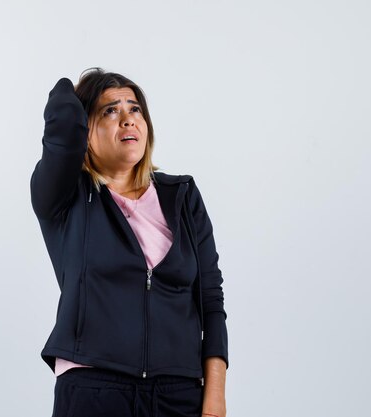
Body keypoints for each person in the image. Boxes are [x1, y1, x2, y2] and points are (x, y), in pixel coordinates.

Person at [30, 68, 229, 417]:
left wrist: (214, 399)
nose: (127, 120)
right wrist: (73, 88)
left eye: (135, 109)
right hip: (94, 390)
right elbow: (61, 125)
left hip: (178, 392)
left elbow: (210, 300)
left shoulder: (182, 195)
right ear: (85, 129)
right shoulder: (65, 197)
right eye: (110, 110)